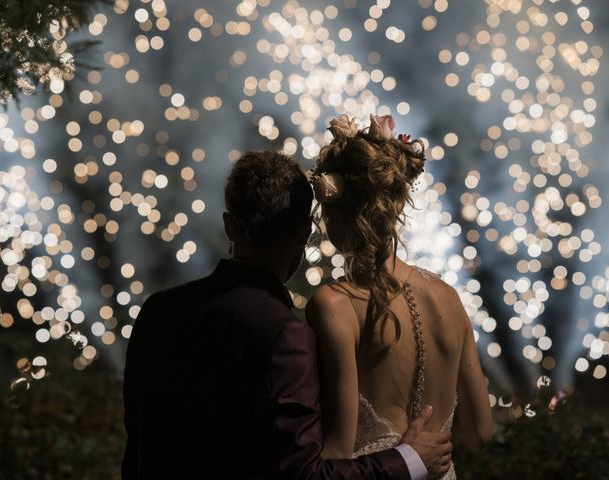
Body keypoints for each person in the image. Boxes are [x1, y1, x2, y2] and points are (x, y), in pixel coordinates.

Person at [122, 150, 452, 479]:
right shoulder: (284, 336)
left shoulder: (157, 311)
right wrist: (407, 461)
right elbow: (304, 475)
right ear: (304, 235)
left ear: (229, 226)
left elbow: (138, 448)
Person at [305, 114, 493, 478]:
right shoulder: (448, 298)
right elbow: (479, 433)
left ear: (335, 208)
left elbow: (338, 453)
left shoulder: (335, 306)